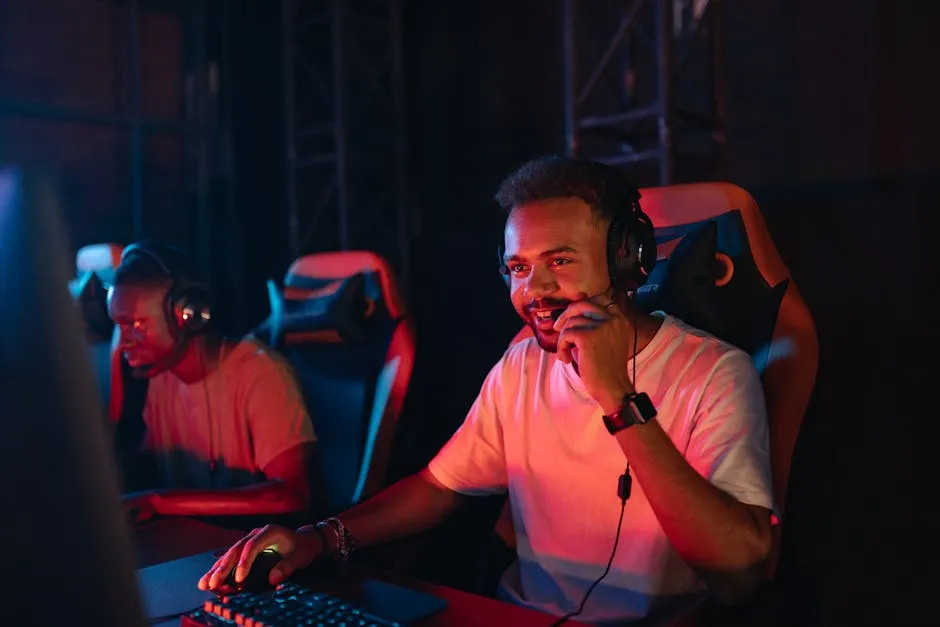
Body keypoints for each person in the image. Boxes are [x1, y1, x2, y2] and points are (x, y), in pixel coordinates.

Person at [199, 157, 774, 626]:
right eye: (519, 268)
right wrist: (318, 539)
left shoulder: (714, 373)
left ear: (627, 260)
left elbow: (740, 573)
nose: (536, 290)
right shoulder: (521, 363)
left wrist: (619, 400)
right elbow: (439, 487)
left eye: (561, 261)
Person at [108, 240, 318, 522]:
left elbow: (292, 496)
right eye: (119, 326)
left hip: (255, 552)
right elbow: (145, 468)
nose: (123, 343)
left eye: (135, 325)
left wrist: (159, 502)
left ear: (187, 315)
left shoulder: (262, 374)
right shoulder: (162, 378)